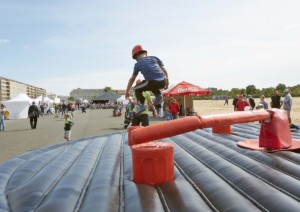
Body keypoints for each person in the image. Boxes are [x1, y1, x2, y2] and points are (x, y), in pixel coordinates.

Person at [125, 45, 169, 115]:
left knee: (136, 88)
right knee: (149, 83)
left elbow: (132, 79)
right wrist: (167, 81)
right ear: (145, 53)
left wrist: (127, 91)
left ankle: (142, 105)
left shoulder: (137, 64)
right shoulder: (155, 58)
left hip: (152, 82)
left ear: (136, 56)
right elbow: (165, 71)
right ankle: (158, 95)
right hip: (163, 81)